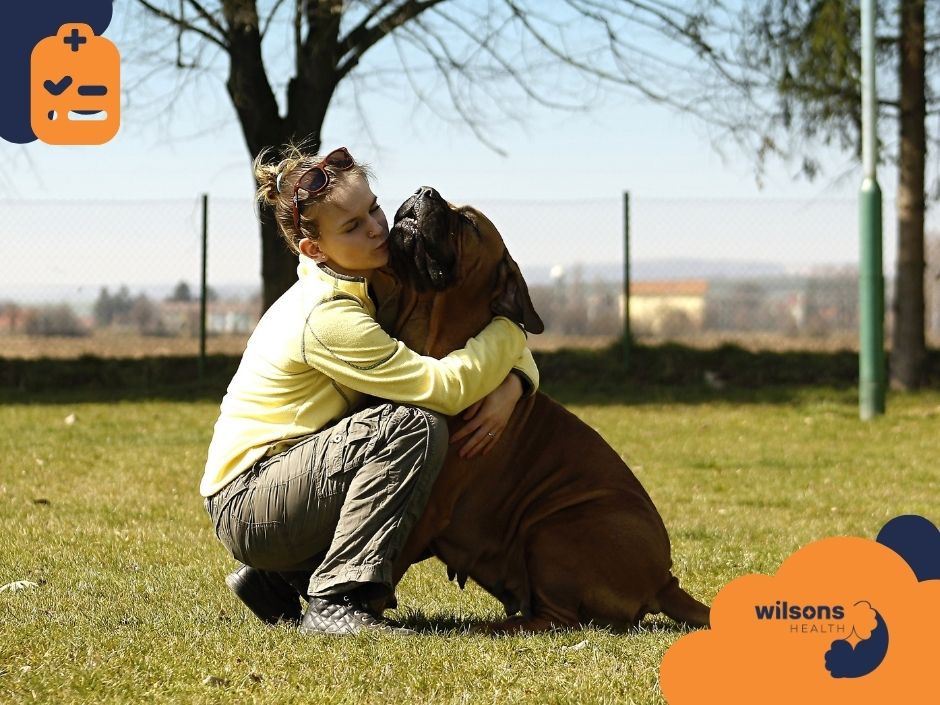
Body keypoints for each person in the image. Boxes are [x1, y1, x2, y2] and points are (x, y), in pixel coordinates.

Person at [201, 143, 539, 635]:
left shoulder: (368, 274)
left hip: (286, 480)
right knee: (410, 427)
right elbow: (441, 388)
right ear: (314, 249)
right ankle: (335, 600)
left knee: (398, 426)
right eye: (353, 226)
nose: (377, 227)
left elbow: (467, 324)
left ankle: (280, 581)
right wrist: (511, 334)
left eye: (374, 208)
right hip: (250, 501)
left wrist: (517, 380)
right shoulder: (327, 315)